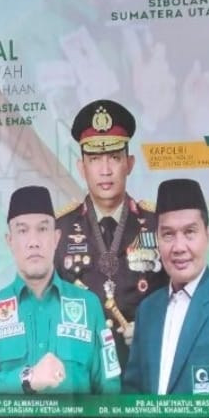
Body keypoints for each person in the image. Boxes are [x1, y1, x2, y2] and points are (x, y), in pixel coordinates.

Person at [0, 185, 121, 395]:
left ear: (56, 238)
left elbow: (109, 387)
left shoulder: (89, 305)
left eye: (42, 229)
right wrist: (28, 378)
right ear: (9, 241)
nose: (34, 242)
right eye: (22, 231)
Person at [55, 98, 168, 369]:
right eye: (94, 159)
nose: (105, 170)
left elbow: (178, 298)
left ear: (129, 163)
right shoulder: (59, 229)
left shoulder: (158, 223)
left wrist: (152, 331)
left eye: (114, 158)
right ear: (81, 167)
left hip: (144, 368)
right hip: (82, 371)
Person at [122, 178, 209, 395]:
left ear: (208, 236)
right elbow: (133, 394)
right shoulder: (147, 310)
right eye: (168, 234)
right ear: (157, 240)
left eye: (190, 232)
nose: (179, 247)